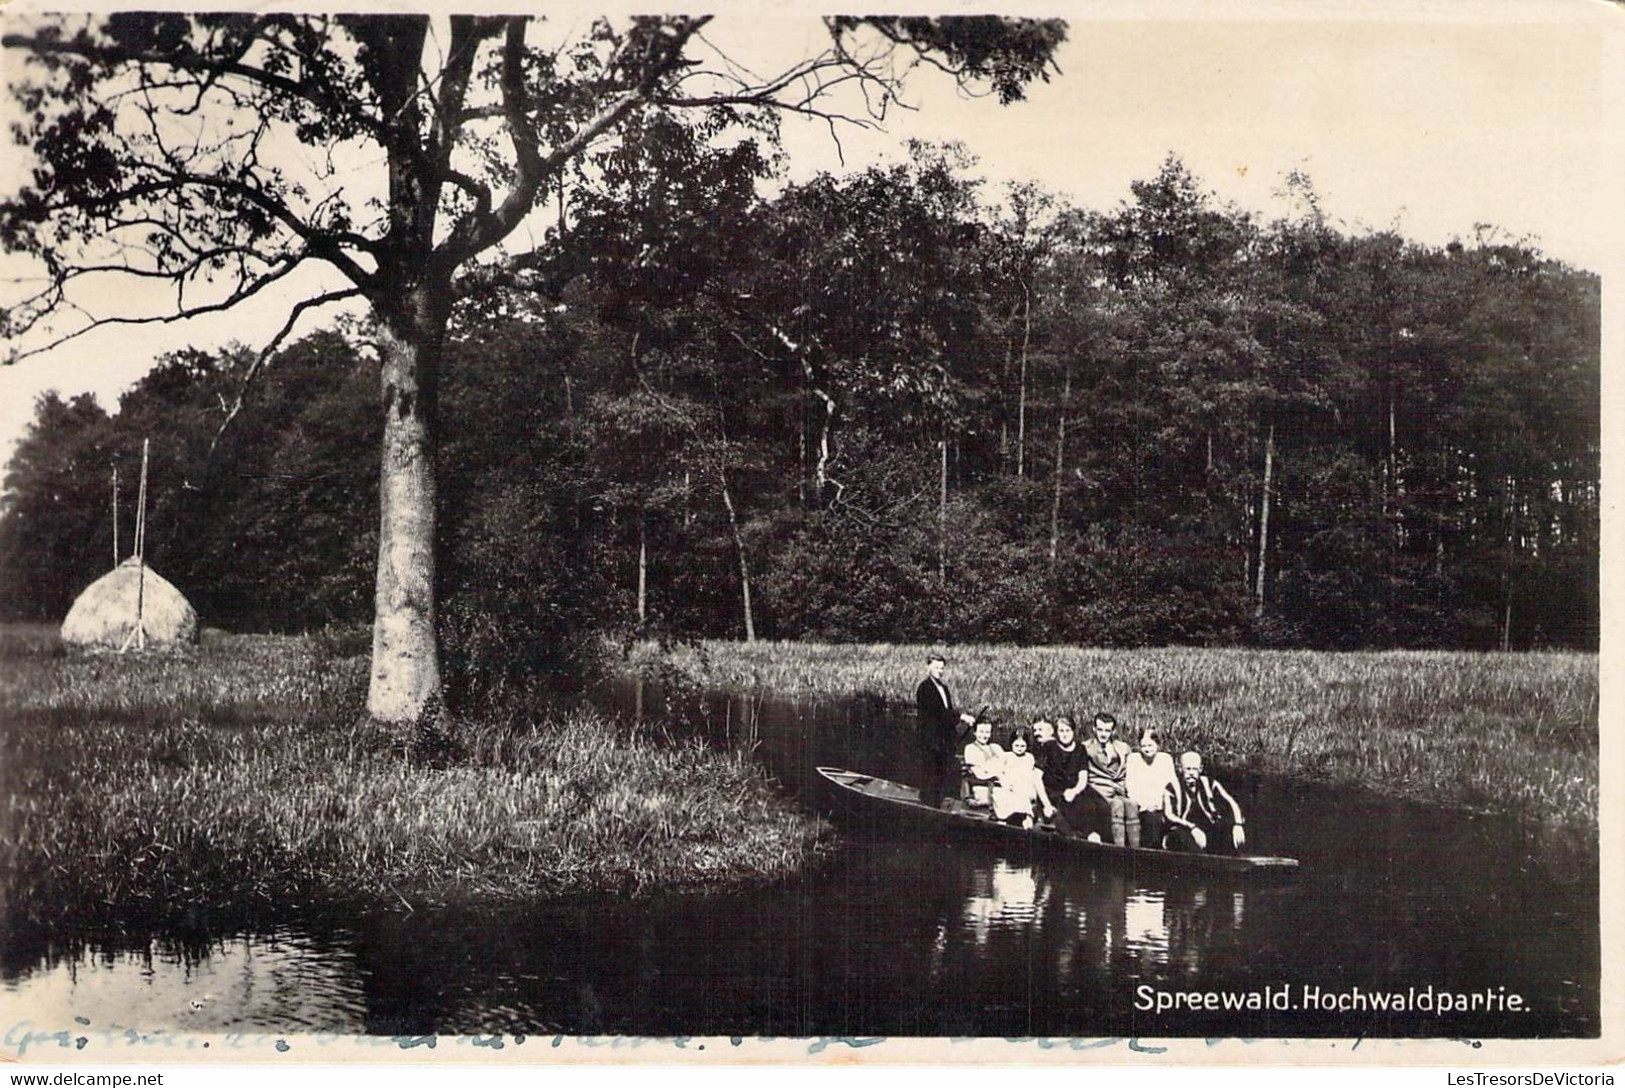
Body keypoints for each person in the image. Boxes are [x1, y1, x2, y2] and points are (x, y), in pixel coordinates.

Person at [1163, 750, 1247, 854]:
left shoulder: (1210, 784)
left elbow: (1231, 803)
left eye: (1195, 769)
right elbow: (1169, 816)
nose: (1191, 773)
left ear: (1200, 769)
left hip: (1208, 829)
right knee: (1180, 838)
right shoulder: (1172, 787)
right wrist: (1192, 828)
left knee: (1227, 833)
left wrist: (1237, 824)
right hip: (1183, 830)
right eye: (1188, 769)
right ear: (1180, 769)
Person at [915, 655, 971, 809]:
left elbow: (948, 712)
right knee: (931, 774)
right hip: (930, 740)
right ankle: (927, 806)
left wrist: (954, 734)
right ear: (928, 667)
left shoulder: (944, 688)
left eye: (942, 668)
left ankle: (937, 806)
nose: (940, 671)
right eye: (936, 667)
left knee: (941, 774)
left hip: (943, 741)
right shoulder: (924, 688)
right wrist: (962, 717)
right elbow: (938, 712)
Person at [1083, 712, 1137, 846]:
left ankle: (1136, 852)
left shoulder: (1123, 748)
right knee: (1117, 805)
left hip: (1120, 790)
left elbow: (1129, 770)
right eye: (1100, 729)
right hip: (1099, 792)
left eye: (1107, 731)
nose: (1103, 734)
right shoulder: (1086, 748)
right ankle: (1120, 851)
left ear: (1113, 731)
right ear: (1094, 729)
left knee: (1132, 804)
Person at [1126, 726, 1179, 850]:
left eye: (1150, 745)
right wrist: (1144, 804)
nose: (1147, 749)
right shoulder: (1133, 759)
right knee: (1150, 820)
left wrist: (1165, 805)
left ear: (1158, 745)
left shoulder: (1165, 759)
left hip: (1163, 805)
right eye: (1143, 746)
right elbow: (1130, 787)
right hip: (1142, 806)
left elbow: (1173, 784)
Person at [1040, 718, 1094, 837]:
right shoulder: (1049, 747)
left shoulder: (1080, 749)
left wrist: (1074, 791)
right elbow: (1037, 778)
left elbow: (1083, 778)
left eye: (1068, 731)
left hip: (1072, 793)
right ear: (1056, 732)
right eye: (1061, 731)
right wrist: (1046, 804)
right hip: (1052, 793)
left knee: (1095, 808)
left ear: (1073, 731)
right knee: (1063, 823)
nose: (1065, 734)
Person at [989, 730, 1044, 827]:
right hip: (1009, 786)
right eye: (1017, 746)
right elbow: (999, 772)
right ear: (1012, 745)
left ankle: (1027, 819)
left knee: (1024, 798)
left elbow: (1030, 775)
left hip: (1023, 786)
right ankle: (1005, 819)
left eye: (1023, 746)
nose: (1019, 749)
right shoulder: (1007, 756)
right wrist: (1005, 782)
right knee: (1003, 796)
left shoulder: (1029, 758)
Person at [961, 717, 1004, 808]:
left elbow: (1004, 763)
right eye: (981, 732)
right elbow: (977, 771)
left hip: (995, 779)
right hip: (978, 779)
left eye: (987, 732)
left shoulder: (995, 747)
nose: (984, 735)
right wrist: (993, 768)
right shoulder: (970, 748)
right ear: (975, 732)